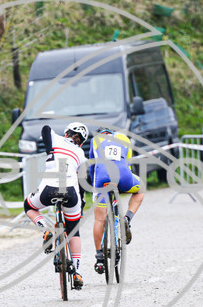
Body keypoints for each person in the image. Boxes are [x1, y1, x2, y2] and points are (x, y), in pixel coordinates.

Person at [24, 122, 87, 290]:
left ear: (67, 133)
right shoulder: (81, 153)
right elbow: (82, 182)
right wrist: (81, 201)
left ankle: (46, 229)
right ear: (81, 142)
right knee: (74, 230)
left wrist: (50, 150)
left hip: (49, 189)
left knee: (29, 206)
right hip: (71, 193)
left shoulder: (56, 138)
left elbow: (45, 128)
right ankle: (77, 272)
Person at [88, 127, 144, 274]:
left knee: (99, 219)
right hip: (123, 175)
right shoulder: (124, 138)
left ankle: (99, 257)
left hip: (102, 178)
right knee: (141, 188)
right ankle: (127, 218)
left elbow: (92, 167)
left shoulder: (95, 140)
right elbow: (128, 164)